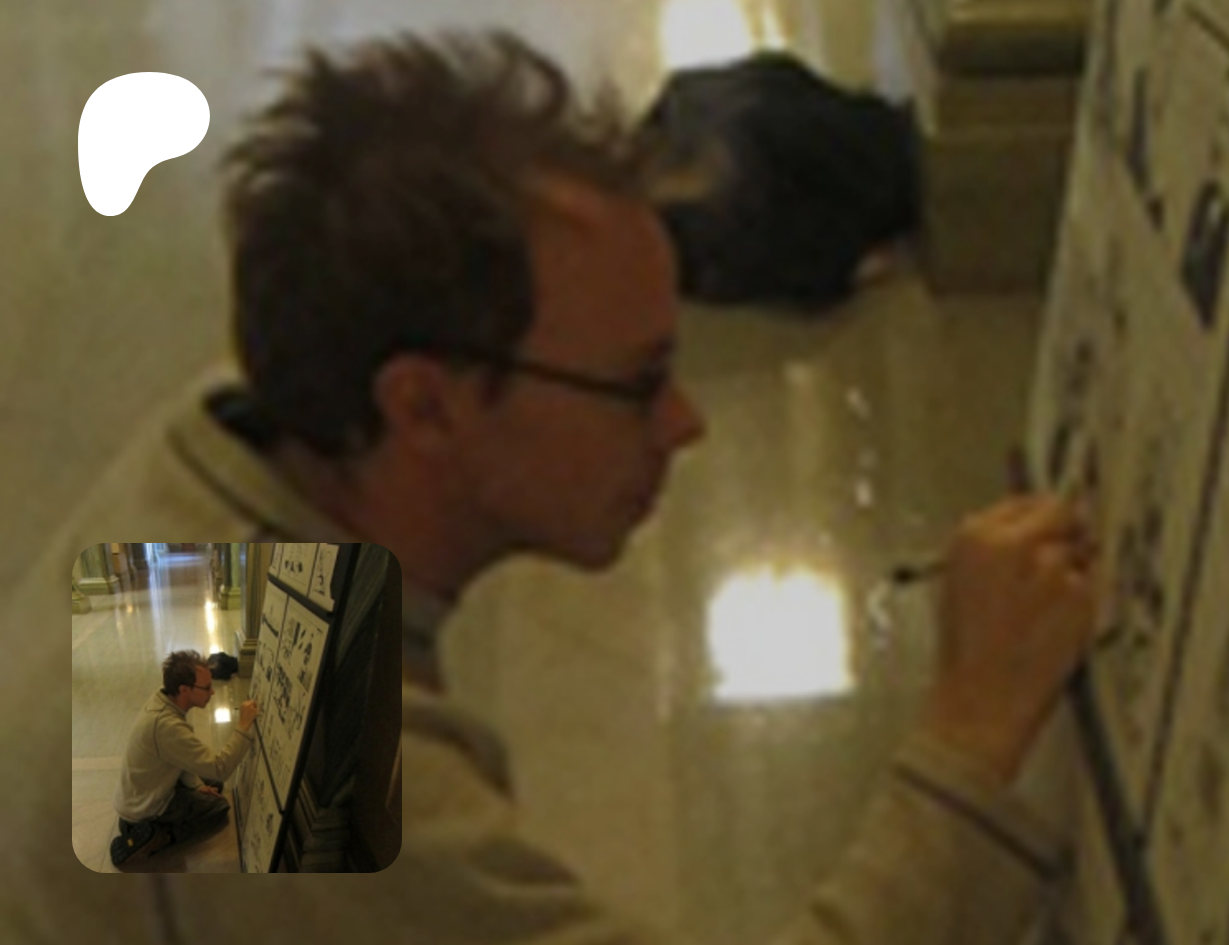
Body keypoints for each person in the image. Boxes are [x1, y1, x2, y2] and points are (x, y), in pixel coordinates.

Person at [3, 28, 1098, 943]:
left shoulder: (246, 425)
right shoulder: (241, 732)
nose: (685, 424)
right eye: (637, 383)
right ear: (424, 406)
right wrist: (972, 726)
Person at [110, 651, 262, 867]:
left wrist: (197, 786)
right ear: (184, 690)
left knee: (212, 784)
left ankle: (144, 825)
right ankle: (160, 835)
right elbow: (220, 767)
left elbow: (179, 756)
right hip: (145, 807)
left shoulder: (164, 698)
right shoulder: (166, 725)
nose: (212, 692)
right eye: (206, 688)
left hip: (142, 792)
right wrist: (244, 725)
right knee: (218, 808)